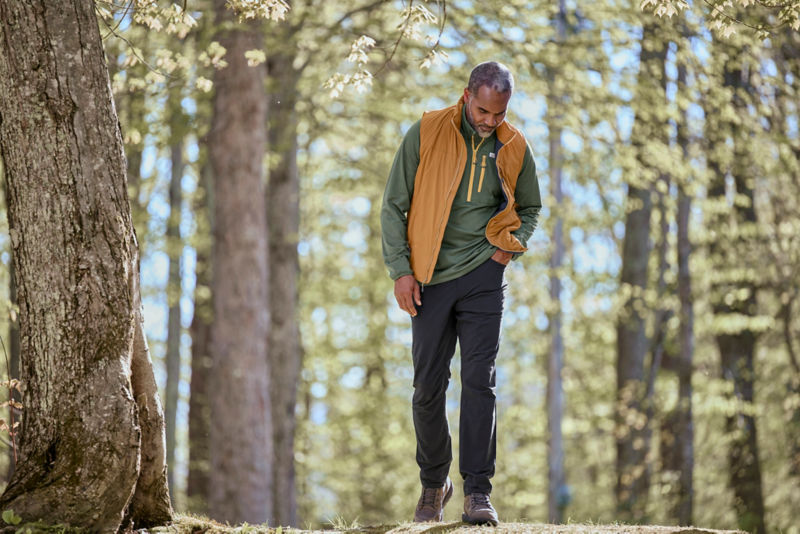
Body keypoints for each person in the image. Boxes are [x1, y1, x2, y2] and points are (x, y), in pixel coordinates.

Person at [380, 61, 542, 526]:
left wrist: (507, 251)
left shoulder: (513, 144)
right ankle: (434, 485)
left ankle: (477, 492)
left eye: (500, 114)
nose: (492, 121)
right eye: (486, 111)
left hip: (484, 275)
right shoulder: (427, 131)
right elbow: (394, 204)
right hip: (428, 277)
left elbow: (530, 207)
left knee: (480, 381)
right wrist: (401, 271)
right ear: (467, 95)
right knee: (427, 387)